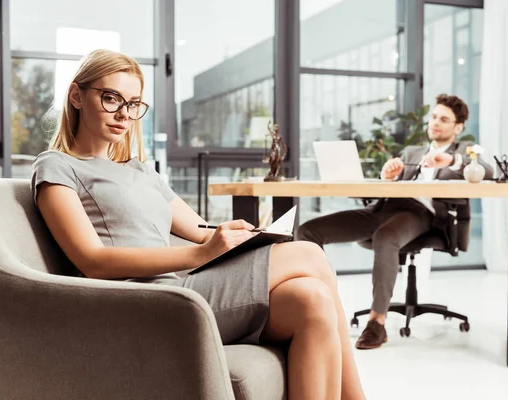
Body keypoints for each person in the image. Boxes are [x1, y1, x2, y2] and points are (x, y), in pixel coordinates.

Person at [30, 49, 365, 400]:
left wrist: (244, 235)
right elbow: (92, 261)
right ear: (76, 96)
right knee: (309, 253)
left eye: (133, 104)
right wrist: (198, 255)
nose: (123, 114)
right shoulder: (57, 166)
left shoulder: (141, 171)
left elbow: (201, 229)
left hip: (183, 287)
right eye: (111, 98)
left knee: (313, 300)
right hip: (143, 301)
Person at [297, 94, 493, 350]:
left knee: (386, 236)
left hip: (420, 215)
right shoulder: (412, 151)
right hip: (384, 207)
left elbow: (489, 171)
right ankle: (317, 310)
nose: (435, 122)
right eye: (433, 117)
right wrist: (386, 175)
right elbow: (390, 181)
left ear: (458, 127)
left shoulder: (462, 153)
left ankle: (376, 323)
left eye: (444, 119)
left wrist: (452, 161)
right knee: (308, 231)